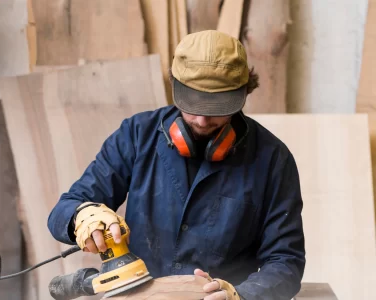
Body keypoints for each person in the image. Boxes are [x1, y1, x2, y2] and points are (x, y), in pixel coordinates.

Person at [47, 30, 305, 300]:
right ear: (176, 87)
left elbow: (286, 261)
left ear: (243, 93)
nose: (203, 121)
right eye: (193, 104)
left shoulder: (273, 159)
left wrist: (241, 296)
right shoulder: (137, 135)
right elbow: (63, 210)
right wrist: (81, 215)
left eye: (216, 107)